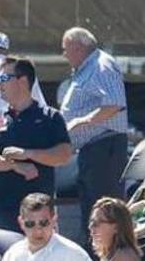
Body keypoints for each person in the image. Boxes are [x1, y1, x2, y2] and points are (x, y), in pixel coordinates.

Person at [0, 56, 71, 231]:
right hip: (0, 212)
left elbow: (64, 154)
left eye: (4, 78)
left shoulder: (50, 117)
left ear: (23, 81)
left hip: (37, 218)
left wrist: (28, 154)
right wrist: (15, 166)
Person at [59, 27, 129, 238]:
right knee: (92, 211)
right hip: (92, 150)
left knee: (104, 212)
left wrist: (82, 120)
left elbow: (115, 103)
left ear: (78, 47)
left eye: (65, 49)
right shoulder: (87, 68)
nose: (64, 54)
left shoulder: (101, 65)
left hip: (104, 148)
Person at [1, 192, 92, 261]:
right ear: (21, 223)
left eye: (44, 223)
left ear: (54, 220)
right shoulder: (13, 254)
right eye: (30, 224)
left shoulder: (73, 255)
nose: (38, 230)